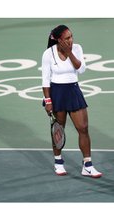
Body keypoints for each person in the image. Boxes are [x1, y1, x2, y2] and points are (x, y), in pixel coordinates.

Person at [41, 25, 102, 178]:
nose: (71, 40)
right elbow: (45, 80)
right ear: (59, 40)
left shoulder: (77, 49)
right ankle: (58, 162)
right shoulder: (48, 54)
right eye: (67, 38)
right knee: (58, 130)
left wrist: (69, 53)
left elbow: (81, 69)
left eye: (71, 36)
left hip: (73, 92)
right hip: (57, 94)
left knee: (83, 128)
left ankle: (87, 165)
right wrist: (48, 100)